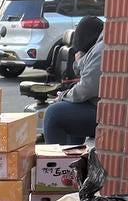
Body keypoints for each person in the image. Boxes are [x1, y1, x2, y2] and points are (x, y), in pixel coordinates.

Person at [43, 14, 105, 145]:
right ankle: (74, 154)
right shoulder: (99, 47)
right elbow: (86, 76)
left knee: (53, 114)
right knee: (69, 108)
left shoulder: (100, 50)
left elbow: (86, 89)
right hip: (100, 105)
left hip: (105, 112)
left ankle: (56, 156)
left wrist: (63, 96)